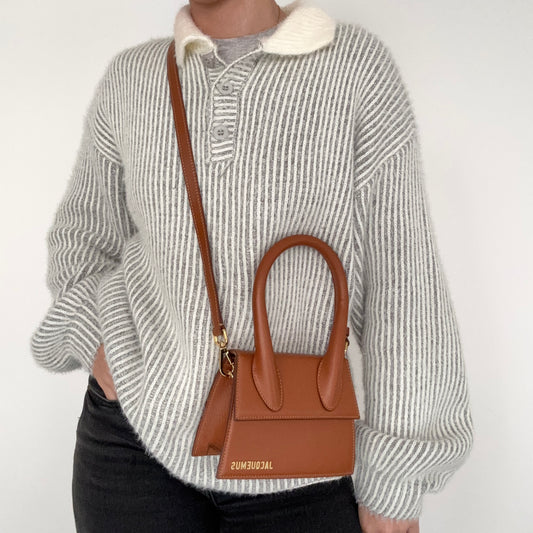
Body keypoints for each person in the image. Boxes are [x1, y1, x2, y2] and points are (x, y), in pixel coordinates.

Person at [30, 0, 474, 531]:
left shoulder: (354, 68)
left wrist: (395, 478)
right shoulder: (133, 77)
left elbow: (403, 278)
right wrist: (97, 341)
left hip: (302, 457)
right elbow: (82, 236)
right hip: (131, 446)